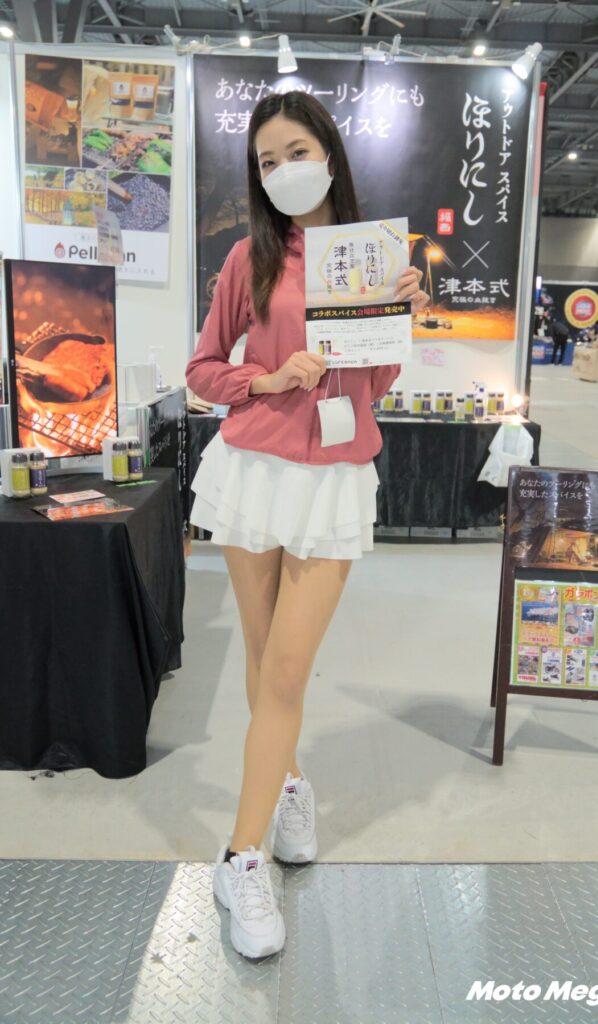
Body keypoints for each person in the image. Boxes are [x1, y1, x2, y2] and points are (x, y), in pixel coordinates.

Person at [185, 91, 429, 961]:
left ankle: (239, 856)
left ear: (328, 153)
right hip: (253, 469)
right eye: (266, 161)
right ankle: (275, 804)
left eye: (295, 152)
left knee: (286, 669)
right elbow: (202, 371)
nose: (283, 170)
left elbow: (374, 384)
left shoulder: (373, 258)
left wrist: (399, 313)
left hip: (333, 478)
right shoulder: (245, 259)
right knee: (262, 663)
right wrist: (268, 377)